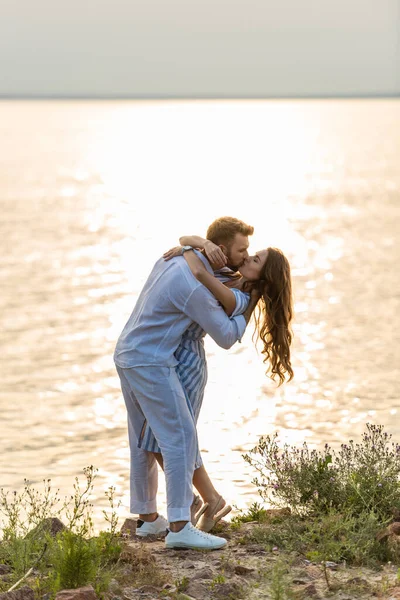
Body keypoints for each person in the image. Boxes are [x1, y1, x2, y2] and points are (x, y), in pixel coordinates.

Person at [114, 217, 259, 550]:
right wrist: (244, 311)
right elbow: (224, 335)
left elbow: (194, 253)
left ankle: (149, 521)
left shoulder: (175, 258)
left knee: (141, 439)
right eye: (242, 249)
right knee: (179, 436)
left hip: (126, 352)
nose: (246, 254)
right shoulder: (195, 286)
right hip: (151, 360)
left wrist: (191, 243)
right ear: (221, 250)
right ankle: (180, 526)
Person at [141, 223, 294, 533]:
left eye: (255, 259)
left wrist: (191, 254)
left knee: (176, 437)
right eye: (248, 253)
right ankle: (199, 500)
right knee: (157, 437)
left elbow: (200, 279)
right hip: (171, 355)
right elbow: (188, 245)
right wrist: (192, 243)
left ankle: (208, 500)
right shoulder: (235, 277)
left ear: (264, 276)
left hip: (185, 364)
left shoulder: (242, 294)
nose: (248, 257)